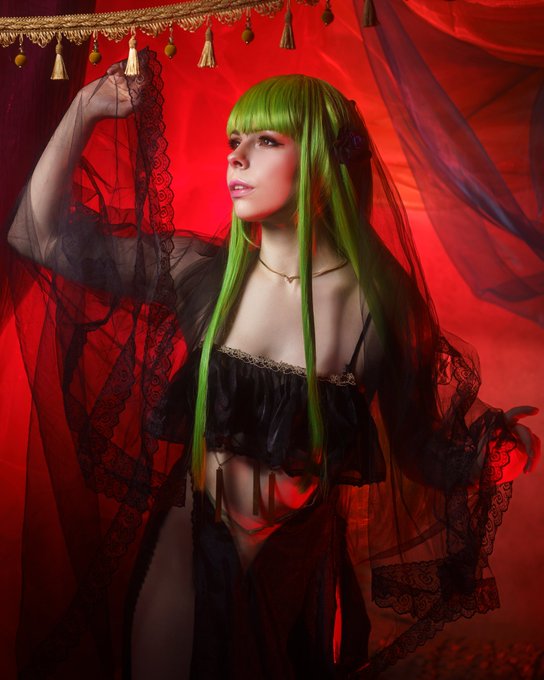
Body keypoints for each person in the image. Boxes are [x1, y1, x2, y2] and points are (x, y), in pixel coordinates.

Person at [7, 50, 540, 679]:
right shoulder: (199, 275)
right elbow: (35, 234)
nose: (236, 158)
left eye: (265, 140)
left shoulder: (383, 307)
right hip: (187, 544)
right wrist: (84, 108)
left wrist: (494, 455)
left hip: (296, 563)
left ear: (320, 160)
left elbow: (417, 445)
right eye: (233, 141)